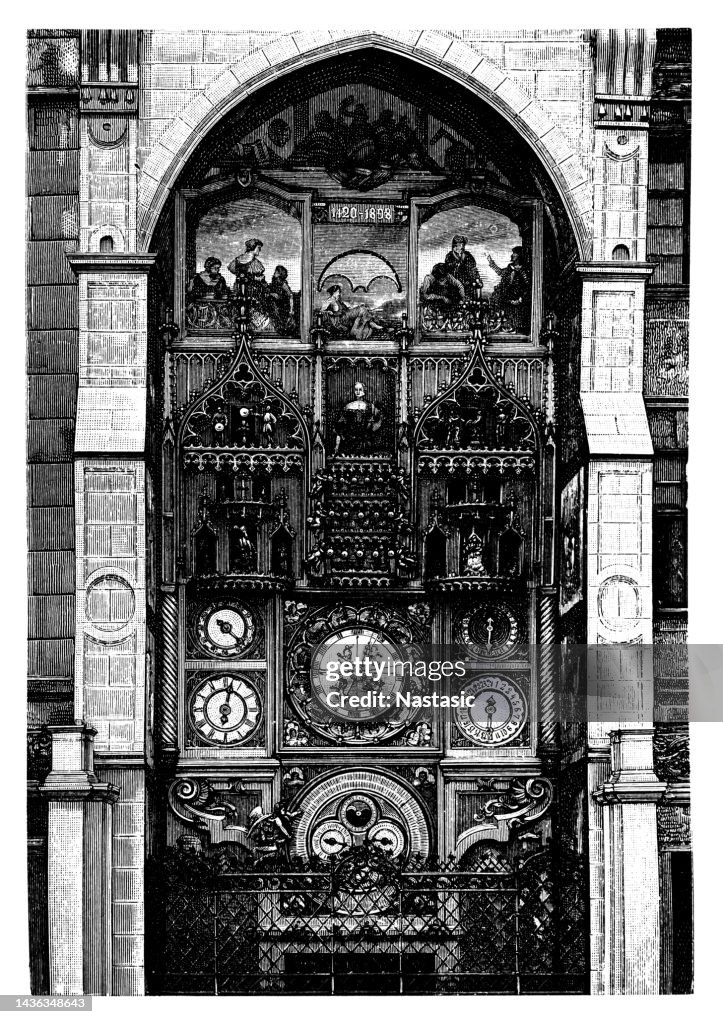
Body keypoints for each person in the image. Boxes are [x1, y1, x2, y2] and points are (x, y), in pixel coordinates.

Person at [334, 381, 383, 455]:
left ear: (364, 391)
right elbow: (341, 422)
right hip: (350, 440)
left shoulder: (370, 406)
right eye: (356, 389)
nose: (358, 392)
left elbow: (379, 419)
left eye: (360, 389)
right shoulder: (348, 406)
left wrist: (372, 429)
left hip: (365, 440)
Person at [268, 265, 295, 333]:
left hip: (283, 306)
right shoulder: (273, 282)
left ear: (280, 274)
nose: (274, 273)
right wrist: (272, 294)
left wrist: (291, 309)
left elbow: (290, 295)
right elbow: (270, 292)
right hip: (275, 304)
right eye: (275, 272)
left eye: (276, 272)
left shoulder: (283, 284)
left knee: (282, 322)